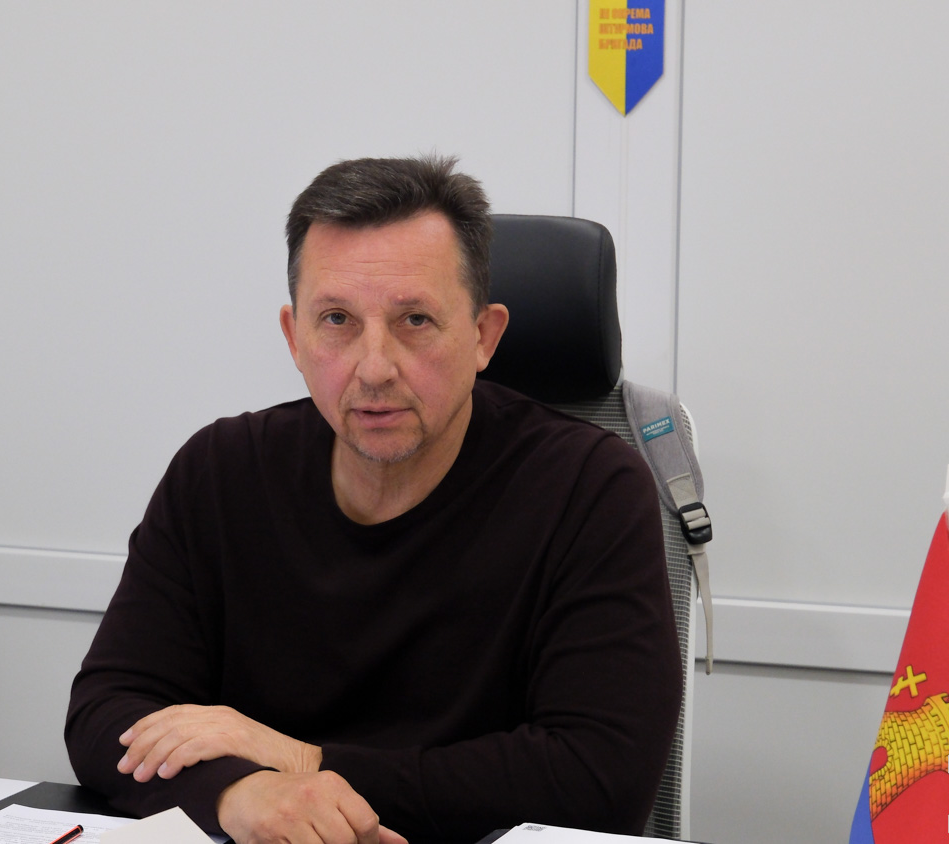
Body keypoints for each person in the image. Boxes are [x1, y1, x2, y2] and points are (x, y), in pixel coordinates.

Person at [66, 156, 682, 844]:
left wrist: (304, 763)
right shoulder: (219, 471)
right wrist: (240, 793)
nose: (375, 368)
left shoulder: (590, 487)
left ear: (483, 336)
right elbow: (106, 712)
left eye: (415, 319)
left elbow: (600, 781)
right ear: (294, 337)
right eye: (337, 319)